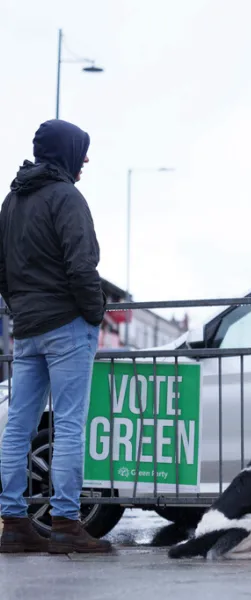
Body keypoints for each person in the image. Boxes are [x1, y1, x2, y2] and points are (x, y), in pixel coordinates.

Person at [0, 119, 110, 554]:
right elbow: (82, 266)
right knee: (68, 426)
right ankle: (66, 523)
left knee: (17, 428)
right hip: (67, 324)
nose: (85, 160)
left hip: (27, 329)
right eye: (81, 151)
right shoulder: (67, 197)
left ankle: (14, 523)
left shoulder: (11, 201)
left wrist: (24, 307)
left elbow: (2, 271)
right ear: (65, 152)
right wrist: (94, 313)